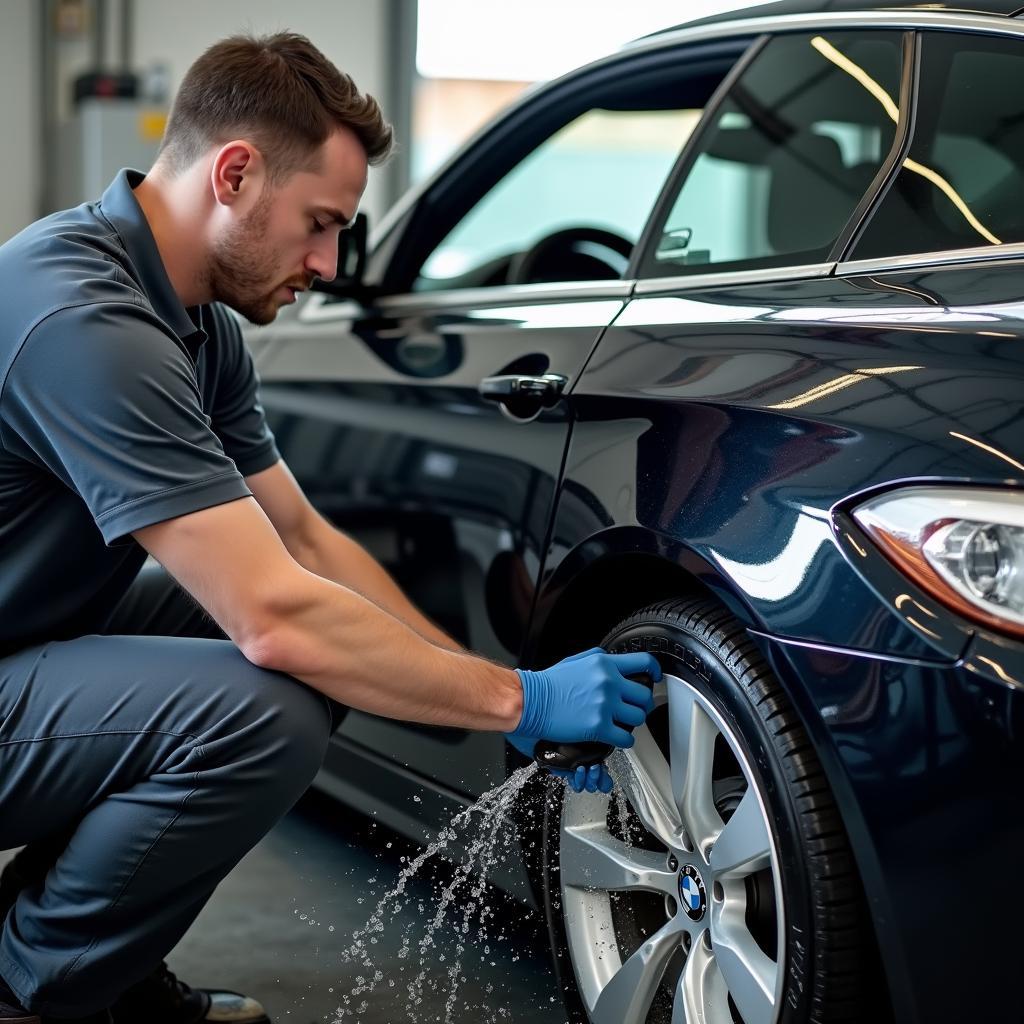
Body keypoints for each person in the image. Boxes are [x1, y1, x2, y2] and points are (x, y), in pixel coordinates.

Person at [0, 31, 658, 1024]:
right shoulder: (82, 319)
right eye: (319, 223)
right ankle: (27, 989)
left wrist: (460, 694)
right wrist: (517, 698)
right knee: (266, 702)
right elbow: (273, 616)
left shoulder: (194, 323)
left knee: (316, 638)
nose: (326, 261)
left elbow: (303, 543)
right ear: (234, 173)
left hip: (22, 642)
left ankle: (87, 956)